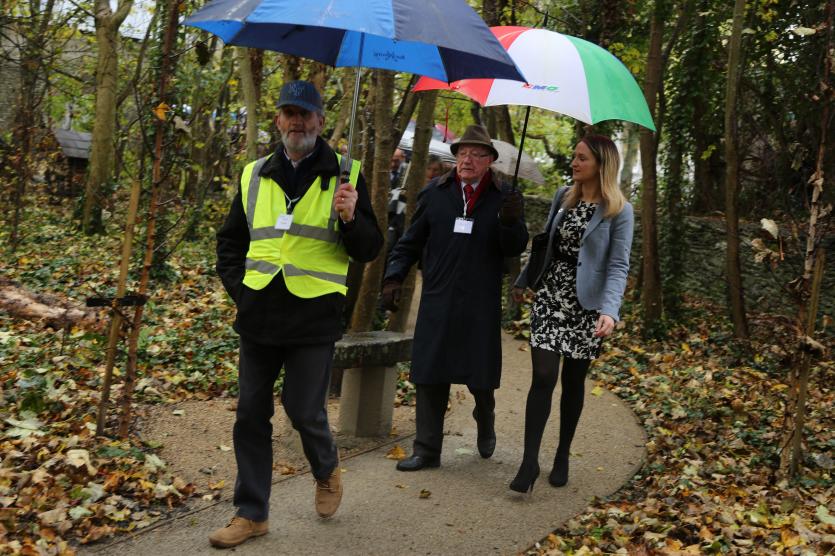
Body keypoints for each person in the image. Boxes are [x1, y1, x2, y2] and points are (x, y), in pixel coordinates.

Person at [212, 80, 383, 547]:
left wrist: (351, 218)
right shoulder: (253, 174)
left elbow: (369, 249)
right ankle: (251, 513)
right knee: (250, 413)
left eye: (305, 114)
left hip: (314, 315)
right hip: (259, 314)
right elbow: (230, 242)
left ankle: (326, 469)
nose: (297, 122)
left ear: (321, 121)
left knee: (303, 410)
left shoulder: (347, 173)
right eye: (289, 113)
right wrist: (241, 292)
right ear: (278, 120)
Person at [382, 124, 528, 471]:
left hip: (480, 301)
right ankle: (427, 450)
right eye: (462, 152)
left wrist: (511, 222)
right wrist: (393, 277)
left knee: (479, 375)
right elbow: (411, 241)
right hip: (439, 297)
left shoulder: (503, 196)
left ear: (489, 161)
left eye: (477, 154)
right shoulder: (436, 192)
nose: (467, 159)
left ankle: (486, 415)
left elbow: (515, 248)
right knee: (430, 373)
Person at [509, 134, 634, 493]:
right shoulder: (563, 196)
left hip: (587, 305)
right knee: (544, 376)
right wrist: (523, 280)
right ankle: (529, 461)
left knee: (574, 382)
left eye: (582, 158)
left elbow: (618, 265)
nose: (574, 163)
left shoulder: (619, 209)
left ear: (601, 165)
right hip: (551, 296)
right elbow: (545, 245)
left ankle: (562, 453)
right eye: (574, 157)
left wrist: (610, 310)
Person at [387, 148, 409, 254]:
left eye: (396, 161)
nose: (393, 164)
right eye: (391, 160)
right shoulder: (384, 171)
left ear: (403, 158)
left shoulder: (407, 172)